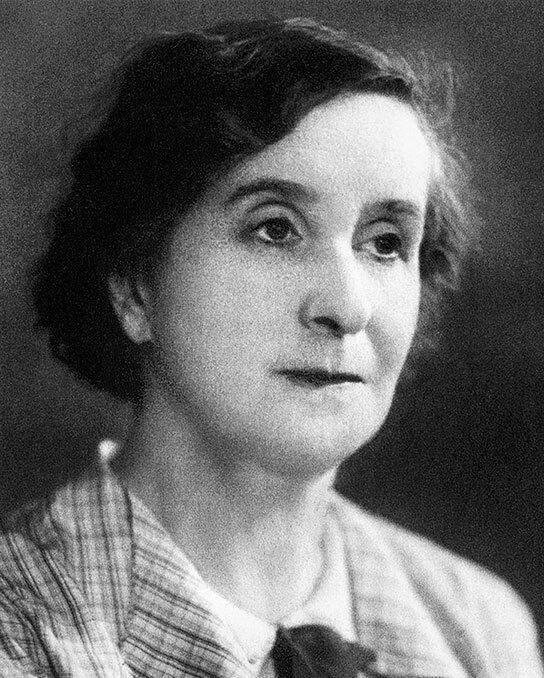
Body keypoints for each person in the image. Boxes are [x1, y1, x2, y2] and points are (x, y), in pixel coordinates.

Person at [0, 16, 541, 678]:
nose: (347, 307)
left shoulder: (480, 628)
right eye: (276, 229)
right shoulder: (19, 635)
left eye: (385, 243)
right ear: (136, 288)